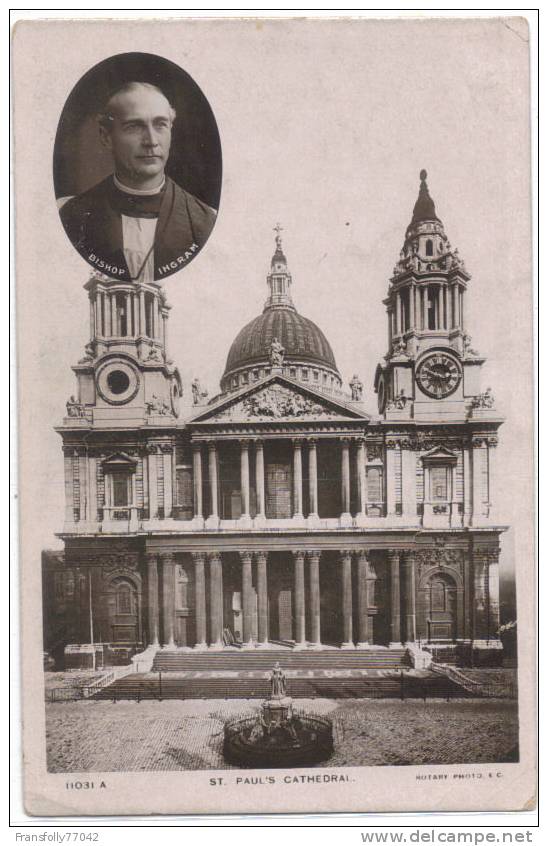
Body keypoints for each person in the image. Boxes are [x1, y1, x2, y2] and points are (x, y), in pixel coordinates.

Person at [59, 81, 217, 282]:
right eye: (134, 126)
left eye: (160, 125)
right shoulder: (71, 215)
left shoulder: (205, 221)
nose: (151, 140)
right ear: (106, 136)